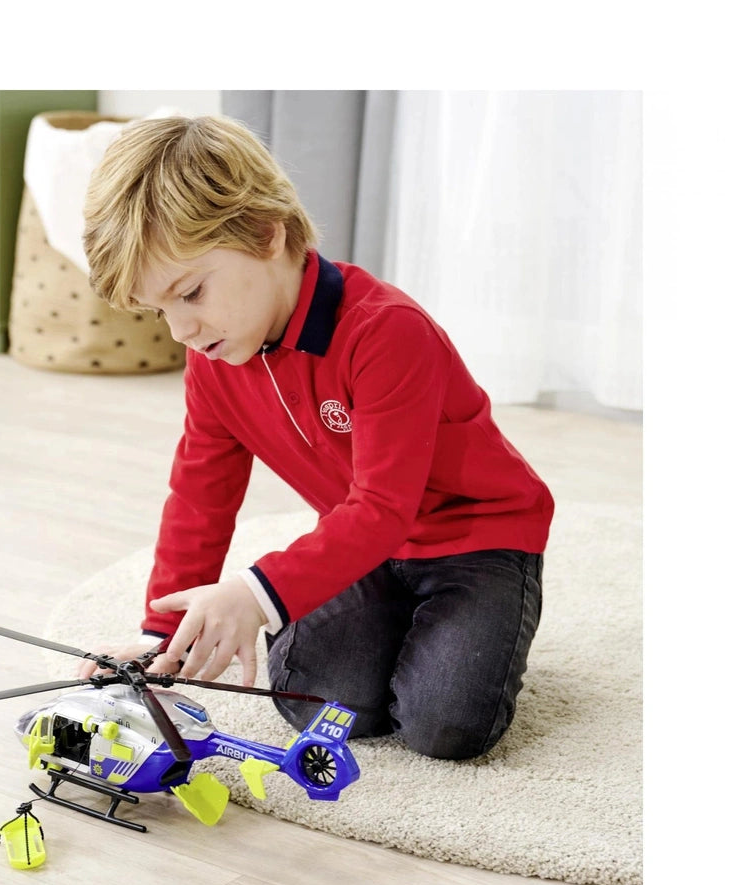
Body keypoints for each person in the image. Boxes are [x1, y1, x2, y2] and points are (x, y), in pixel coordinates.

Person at [80, 114, 553, 760]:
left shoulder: (386, 333)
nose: (181, 330)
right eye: (160, 310)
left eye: (190, 292)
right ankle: (409, 631)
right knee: (313, 700)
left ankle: (473, 626)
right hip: (367, 549)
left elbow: (385, 507)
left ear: (265, 234)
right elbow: (200, 496)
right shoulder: (215, 358)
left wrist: (255, 594)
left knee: (443, 725)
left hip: (478, 539)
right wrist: (162, 632)